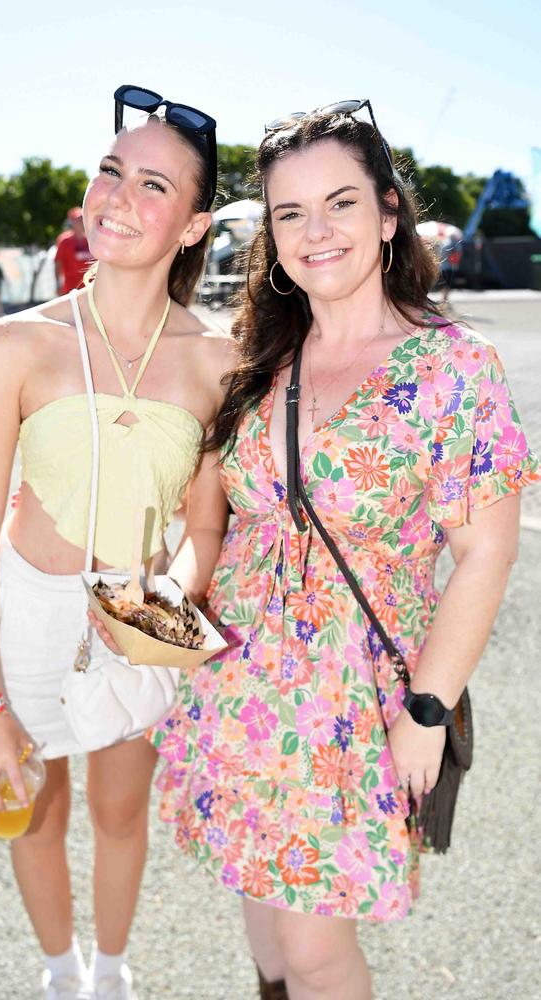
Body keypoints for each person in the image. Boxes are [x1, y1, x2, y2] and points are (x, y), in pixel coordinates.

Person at [143, 103, 540, 999]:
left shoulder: (451, 366)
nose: (314, 232)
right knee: (268, 930)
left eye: (340, 203)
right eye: (289, 214)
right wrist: (158, 611)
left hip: (354, 710)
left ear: (389, 213)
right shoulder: (260, 354)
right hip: (238, 689)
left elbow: (487, 554)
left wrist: (427, 712)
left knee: (318, 950)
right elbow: (220, 522)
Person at [0, 86, 230, 1000]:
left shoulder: (219, 362)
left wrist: (169, 606)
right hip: (27, 616)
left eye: (155, 184)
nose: (118, 195)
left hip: (141, 618)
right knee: (29, 813)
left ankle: (111, 974)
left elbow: (204, 524)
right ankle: (61, 975)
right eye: (112, 169)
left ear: (193, 227)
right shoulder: (13, 345)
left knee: (118, 813)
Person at [55, 206, 94, 294]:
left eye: (82, 218)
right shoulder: (64, 241)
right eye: (78, 219)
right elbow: (58, 264)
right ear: (72, 222)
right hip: (71, 289)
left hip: (89, 288)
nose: (81, 221)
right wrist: (58, 284)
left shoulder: (92, 239)